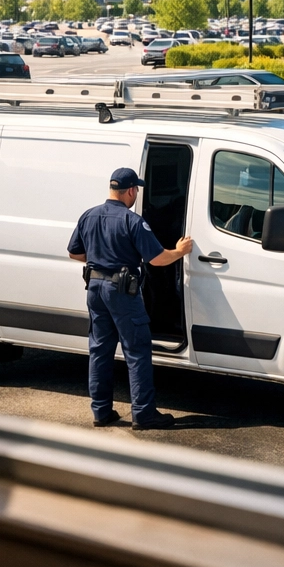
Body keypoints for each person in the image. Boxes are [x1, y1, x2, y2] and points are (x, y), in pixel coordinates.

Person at [68, 167, 193, 429]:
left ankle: (101, 412)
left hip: (95, 288)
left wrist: (98, 259)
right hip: (122, 292)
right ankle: (143, 414)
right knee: (136, 351)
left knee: (100, 350)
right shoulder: (132, 221)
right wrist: (179, 251)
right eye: (137, 189)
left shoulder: (89, 216)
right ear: (131, 191)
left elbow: (74, 253)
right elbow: (157, 259)